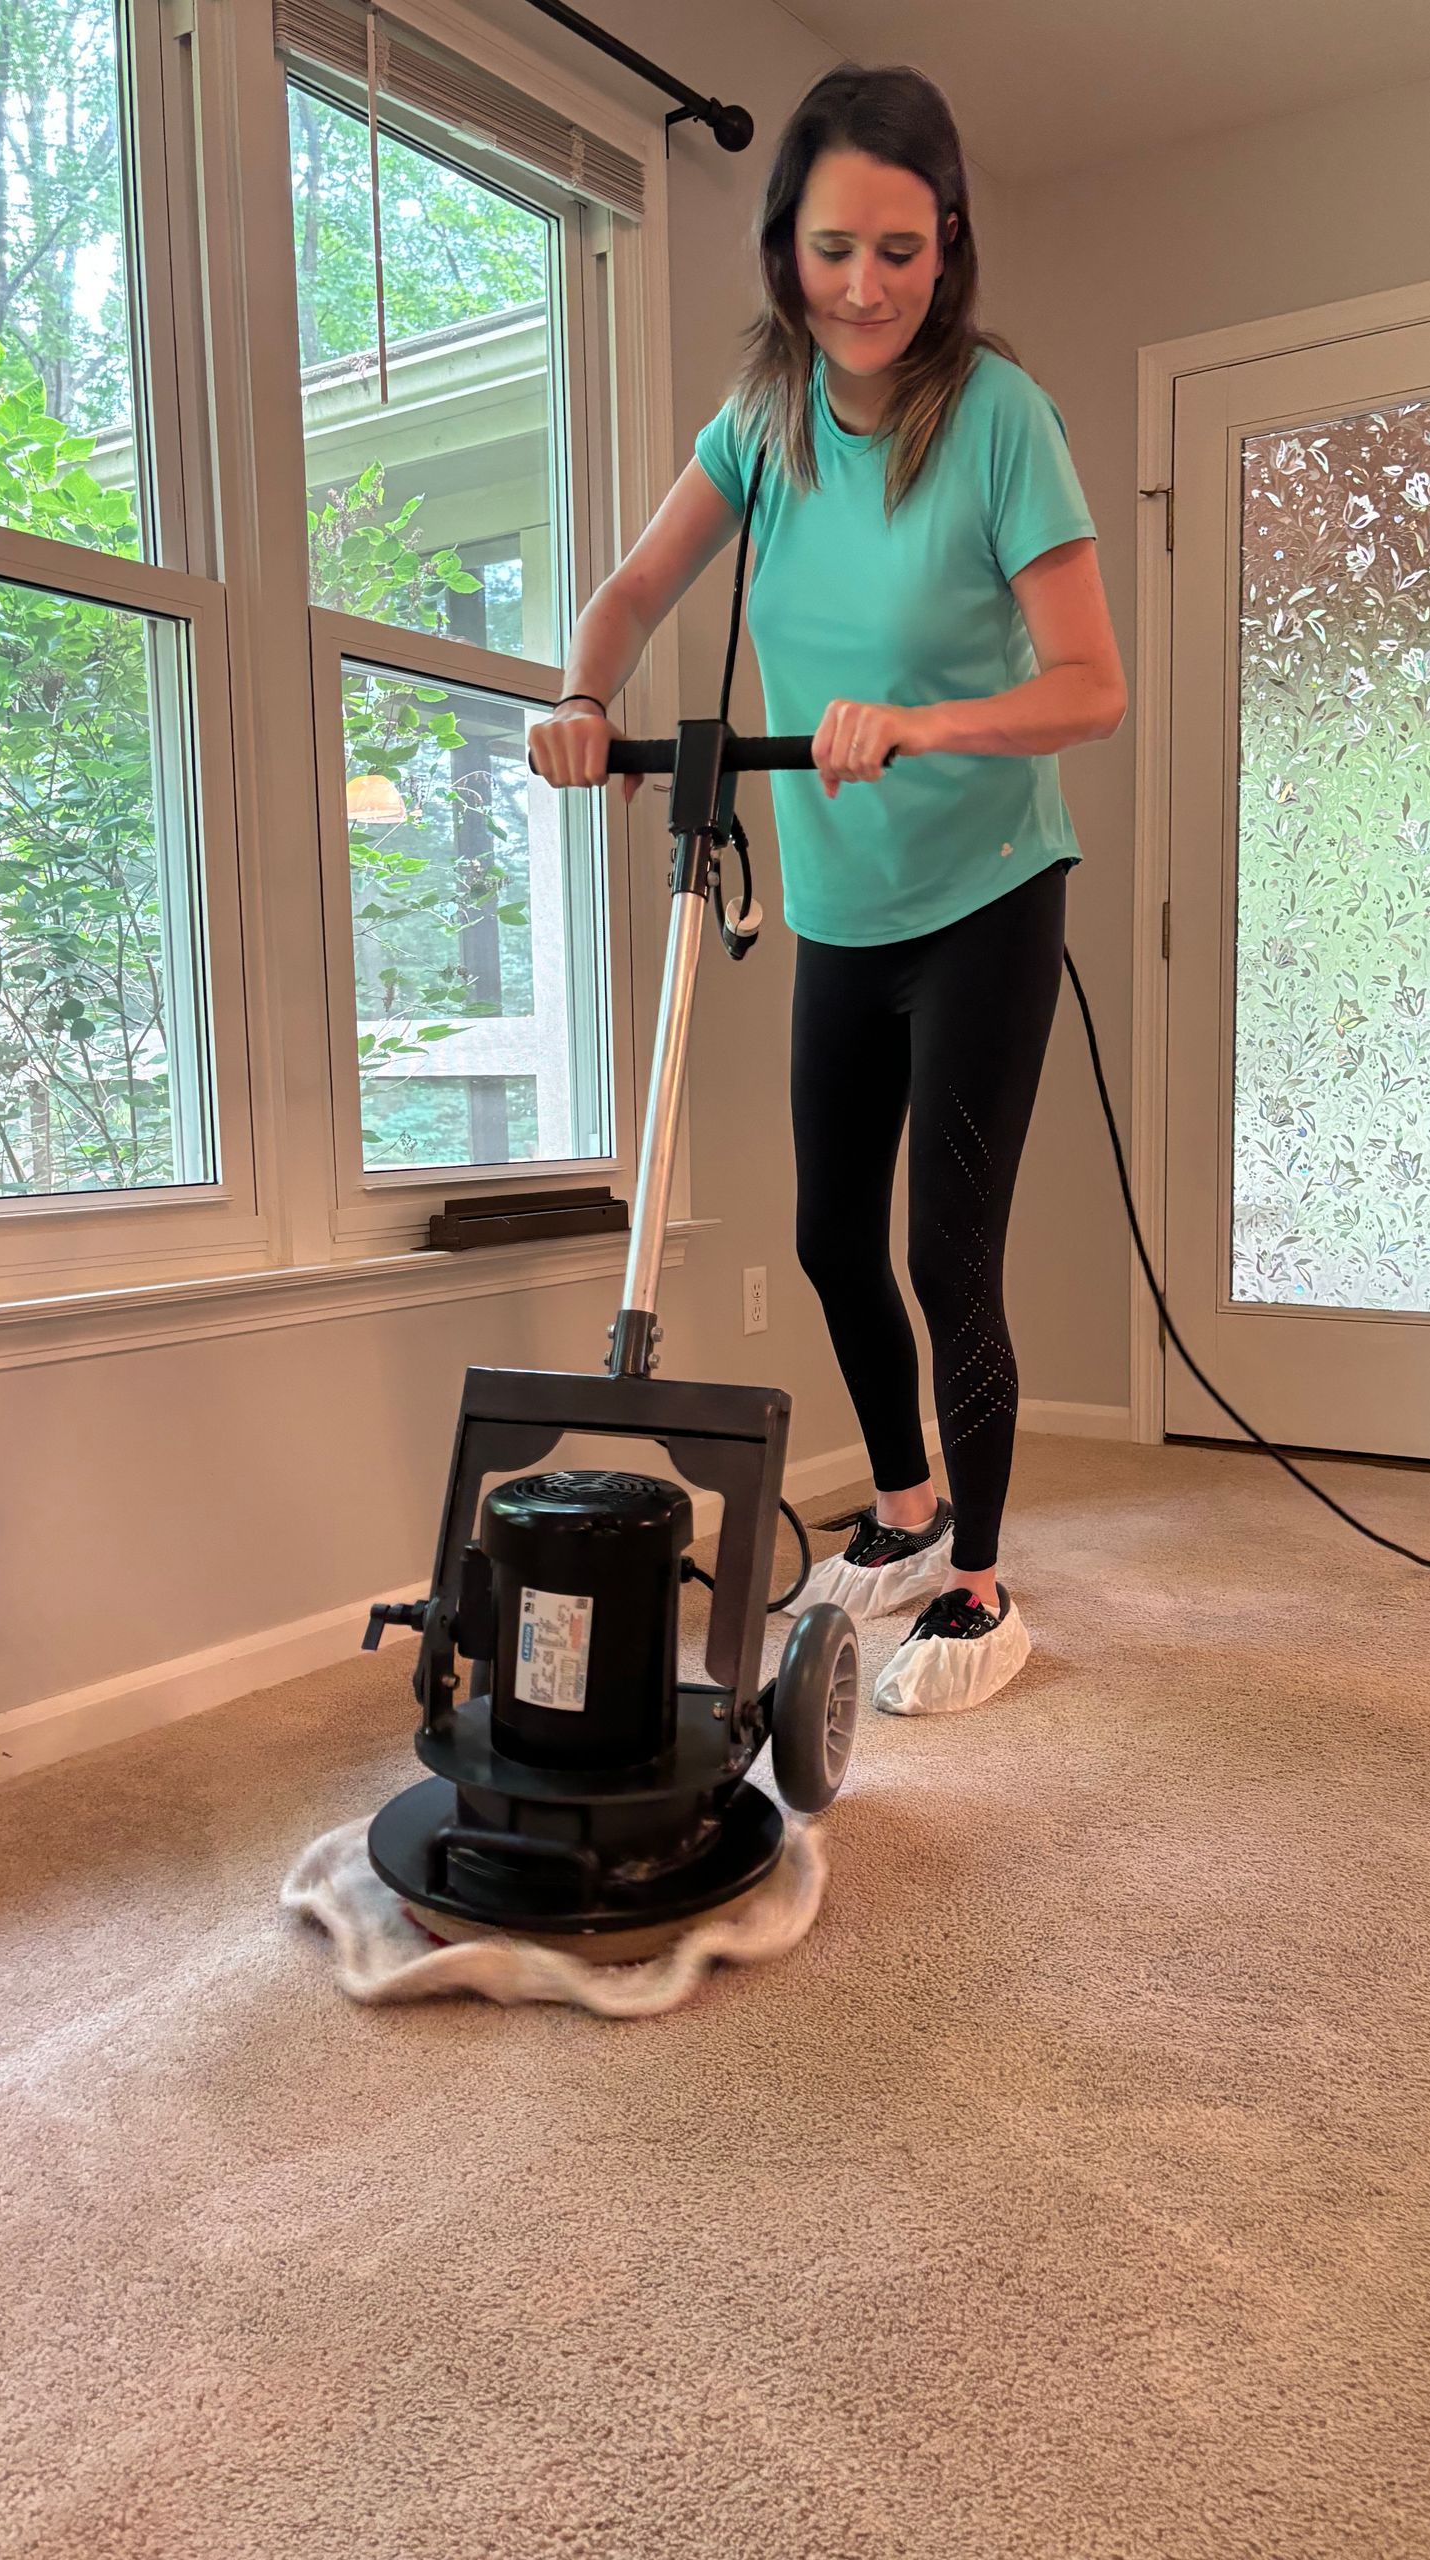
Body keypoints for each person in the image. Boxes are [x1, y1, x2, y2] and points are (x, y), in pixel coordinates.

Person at [529, 63, 1127, 1716]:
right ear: (785, 246)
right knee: (823, 1236)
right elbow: (638, 587)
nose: (865, 286)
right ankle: (907, 1507)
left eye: (903, 249)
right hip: (845, 908)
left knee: (951, 1254)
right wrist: (584, 700)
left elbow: (1091, 687)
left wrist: (924, 723)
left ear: (951, 249)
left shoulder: (1002, 419)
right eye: (832, 246)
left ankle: (983, 1587)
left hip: (991, 889)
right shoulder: (763, 424)